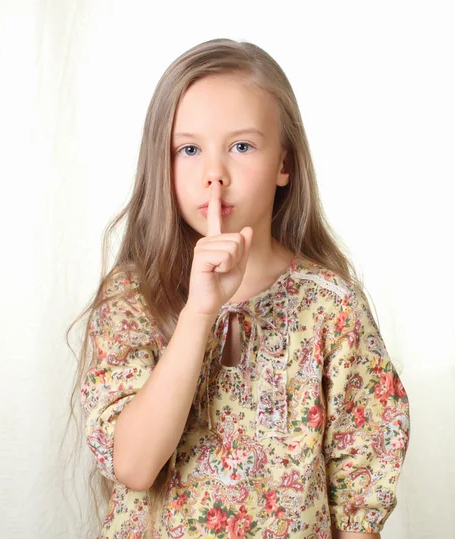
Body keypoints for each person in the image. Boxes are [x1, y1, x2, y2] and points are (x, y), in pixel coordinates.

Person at [71, 38, 411, 539]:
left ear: (284, 164)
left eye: (242, 146)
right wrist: (198, 312)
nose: (215, 175)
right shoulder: (131, 299)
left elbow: (361, 484)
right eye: (188, 149)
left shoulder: (330, 306)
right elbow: (135, 466)